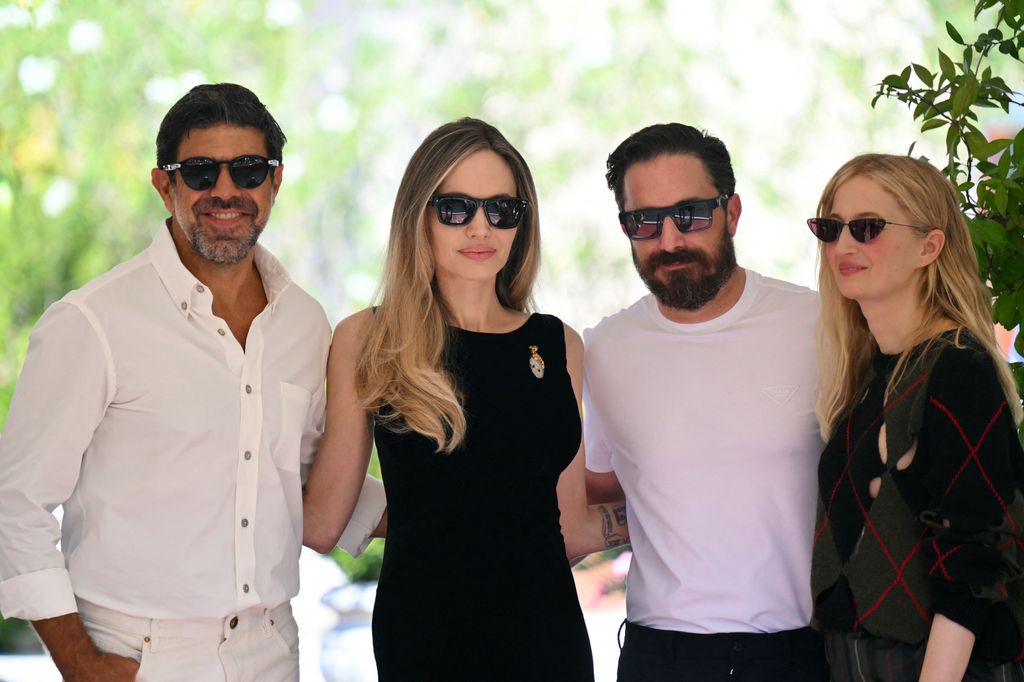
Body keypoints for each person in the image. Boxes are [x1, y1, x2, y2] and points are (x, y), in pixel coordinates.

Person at [0, 83, 383, 682]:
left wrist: (468, 504)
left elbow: (307, 475)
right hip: (137, 655)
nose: (225, 190)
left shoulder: (306, 324)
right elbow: (14, 503)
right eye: (201, 171)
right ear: (165, 185)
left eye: (248, 170)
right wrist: (80, 662)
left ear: (275, 182)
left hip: (274, 646)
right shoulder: (93, 322)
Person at [302, 117, 628, 681]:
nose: (482, 228)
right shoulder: (368, 338)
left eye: (502, 210)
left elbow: (569, 524)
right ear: (418, 215)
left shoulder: (558, 344)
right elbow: (324, 520)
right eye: (457, 209)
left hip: (549, 639)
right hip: (427, 640)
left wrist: (672, 512)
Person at [584, 122, 829, 681]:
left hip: (798, 655)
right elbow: (602, 488)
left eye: (689, 214)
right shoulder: (603, 349)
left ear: (733, 212)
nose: (669, 241)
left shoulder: (818, 325)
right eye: (644, 222)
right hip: (660, 656)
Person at [808, 153, 1024, 681]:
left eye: (868, 228)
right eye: (831, 228)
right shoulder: (869, 374)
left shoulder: (957, 371)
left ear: (930, 245)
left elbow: (976, 564)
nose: (844, 246)